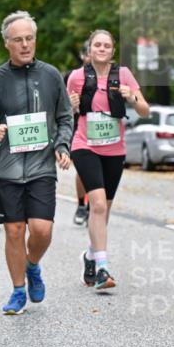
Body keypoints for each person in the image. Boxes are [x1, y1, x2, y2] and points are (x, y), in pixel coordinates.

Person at [0, 10, 73, 315]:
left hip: (41, 167)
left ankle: (32, 265)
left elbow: (65, 116)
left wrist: (62, 144)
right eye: (18, 40)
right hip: (6, 168)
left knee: (41, 230)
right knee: (14, 231)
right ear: (7, 44)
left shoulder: (51, 75)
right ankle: (17, 291)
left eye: (30, 38)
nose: (25, 44)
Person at [67, 30, 150, 289]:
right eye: (97, 45)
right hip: (84, 145)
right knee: (98, 205)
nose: (102, 49)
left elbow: (145, 110)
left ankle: (90, 255)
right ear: (90, 50)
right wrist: (71, 104)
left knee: (105, 211)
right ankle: (102, 268)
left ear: (112, 51)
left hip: (114, 149)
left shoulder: (123, 75)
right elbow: (66, 113)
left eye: (107, 46)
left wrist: (131, 96)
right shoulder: (77, 77)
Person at [71, 42, 91, 227]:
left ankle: (92, 206)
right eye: (89, 53)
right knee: (82, 171)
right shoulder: (75, 77)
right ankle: (81, 206)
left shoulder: (112, 76)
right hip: (80, 129)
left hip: (103, 132)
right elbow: (64, 109)